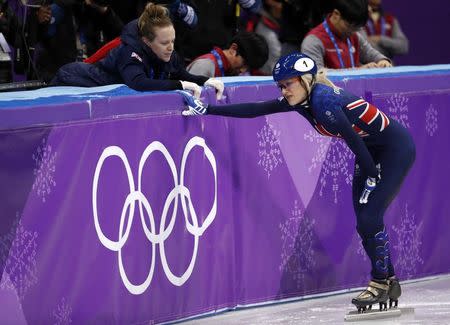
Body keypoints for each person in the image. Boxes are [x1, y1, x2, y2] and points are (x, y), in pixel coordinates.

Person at [179, 52, 415, 312]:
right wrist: (208, 109)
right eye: (280, 85)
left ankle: (381, 282)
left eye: (288, 84)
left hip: (394, 149)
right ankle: (388, 280)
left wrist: (372, 174)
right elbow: (257, 109)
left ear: (305, 80)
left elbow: (354, 141)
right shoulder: (302, 99)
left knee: (369, 217)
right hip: (370, 151)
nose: (284, 90)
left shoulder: (323, 102)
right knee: (364, 220)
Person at [51, 3, 223, 99]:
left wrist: (205, 81)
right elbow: (138, 83)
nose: (170, 47)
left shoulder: (167, 53)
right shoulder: (130, 52)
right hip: (72, 80)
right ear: (146, 41)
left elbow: (182, 75)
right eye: (164, 42)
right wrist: (180, 85)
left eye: (172, 41)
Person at [301, 0, 391, 70]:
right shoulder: (313, 40)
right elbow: (316, 74)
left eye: (358, 28)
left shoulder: (355, 36)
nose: (353, 31)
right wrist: (357, 71)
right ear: (336, 14)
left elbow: (371, 54)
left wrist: (383, 61)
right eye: (349, 26)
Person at [186, 31, 269, 77]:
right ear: (233, 49)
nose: (243, 70)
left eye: (248, 68)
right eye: (244, 63)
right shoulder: (204, 66)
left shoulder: (229, 73)